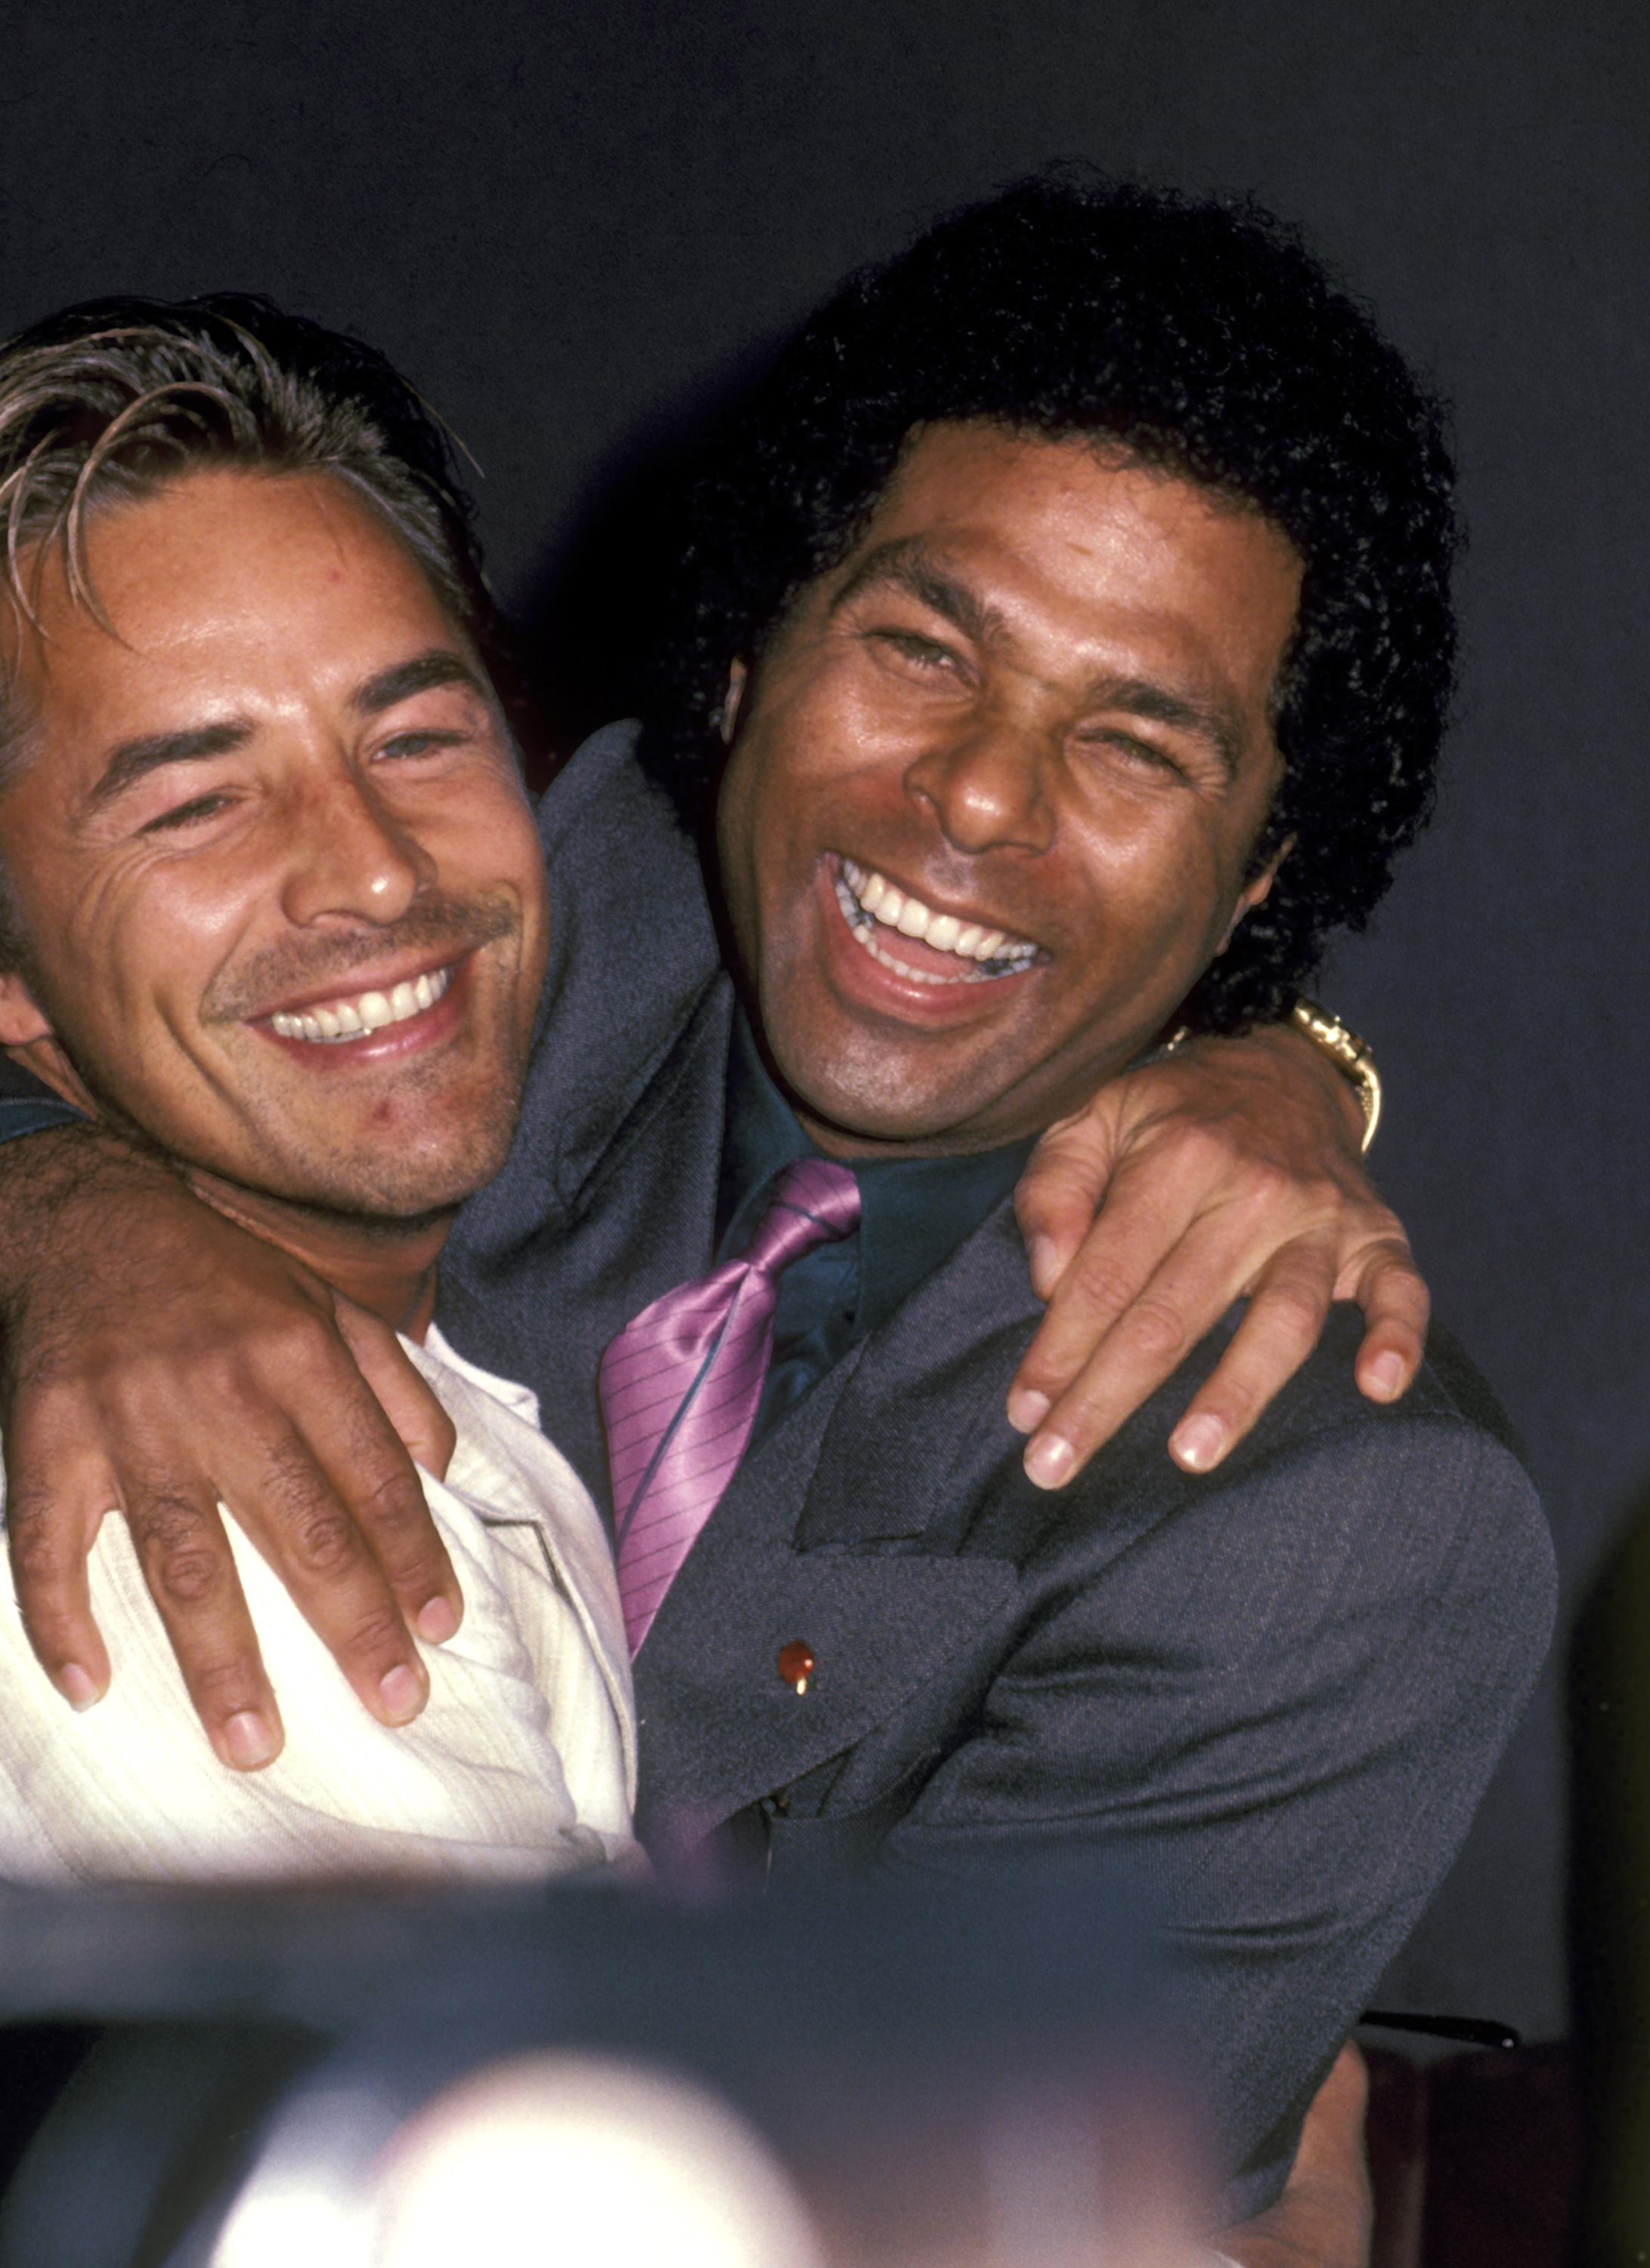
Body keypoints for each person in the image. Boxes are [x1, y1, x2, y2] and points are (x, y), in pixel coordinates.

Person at [0, 174, 1552, 2220]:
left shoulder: (1322, 1525)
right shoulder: (532, 911)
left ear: (1262, 876)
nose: (980, 800)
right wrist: (69, 1215)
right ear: (739, 658)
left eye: (1135, 746)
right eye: (920, 648)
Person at [0, 309, 637, 1879]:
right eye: (199, 802)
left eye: (415, 734)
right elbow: (537, 2125)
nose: (370, 862)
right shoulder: (190, 1543)